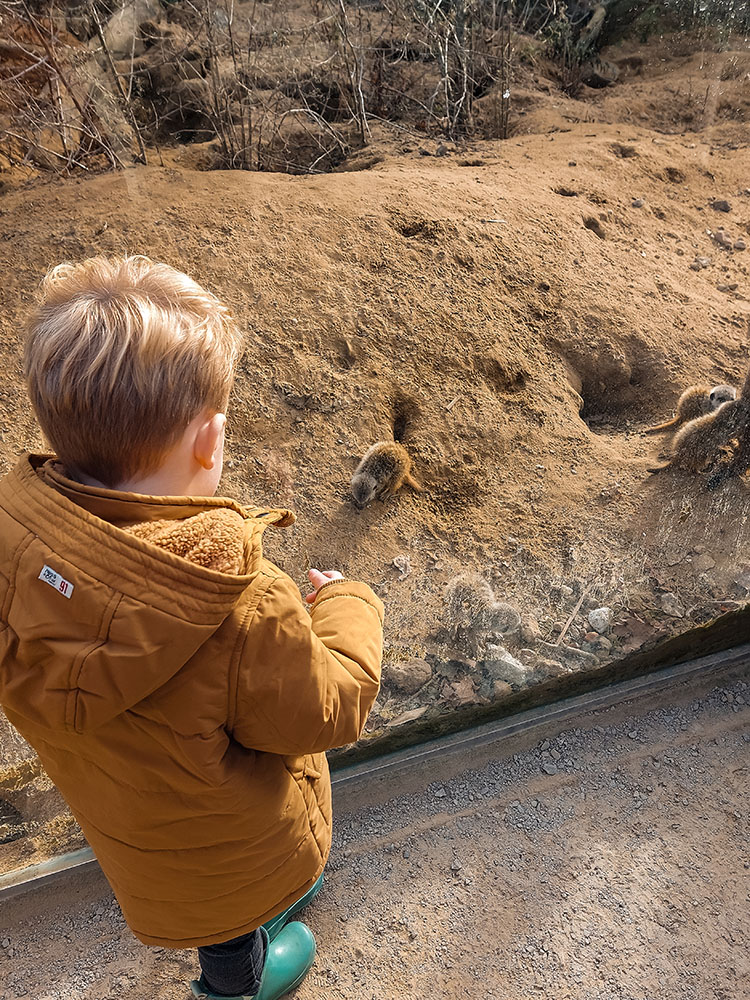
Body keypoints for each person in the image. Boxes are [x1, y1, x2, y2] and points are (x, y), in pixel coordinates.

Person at [0, 256, 384, 1000]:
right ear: (211, 441)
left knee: (193, 885)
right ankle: (233, 985)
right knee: (226, 919)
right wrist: (348, 604)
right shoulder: (235, 604)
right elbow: (328, 712)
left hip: (126, 822)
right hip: (228, 848)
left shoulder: (13, 546)